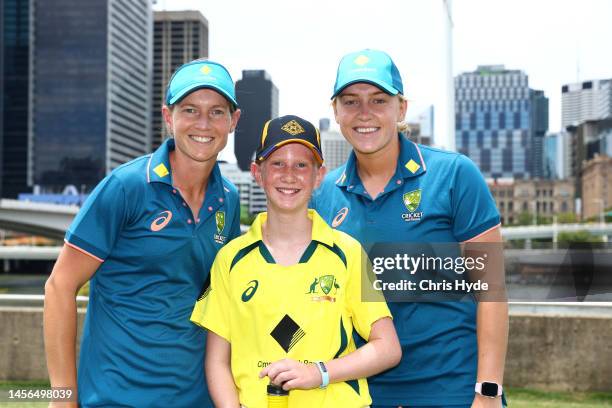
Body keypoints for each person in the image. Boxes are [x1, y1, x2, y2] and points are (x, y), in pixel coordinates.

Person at [311, 49, 508, 408]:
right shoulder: (322, 195)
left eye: (379, 100)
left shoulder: (454, 175)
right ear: (336, 111)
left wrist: (488, 391)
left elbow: (492, 293)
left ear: (401, 108)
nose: (364, 113)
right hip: (361, 394)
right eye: (351, 102)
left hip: (452, 389)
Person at [44, 59, 242, 407]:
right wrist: (62, 397)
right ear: (169, 117)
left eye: (216, 112)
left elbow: (220, 297)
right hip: (116, 397)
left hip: (197, 397)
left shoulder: (229, 198)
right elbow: (59, 285)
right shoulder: (126, 186)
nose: (203, 124)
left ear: (233, 121)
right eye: (190, 110)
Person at [190, 115, 401, 408]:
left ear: (318, 176)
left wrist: (318, 373)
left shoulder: (348, 252)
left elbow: (388, 348)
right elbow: (217, 361)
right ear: (257, 173)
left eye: (302, 165)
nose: (289, 175)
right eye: (277, 163)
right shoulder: (230, 259)